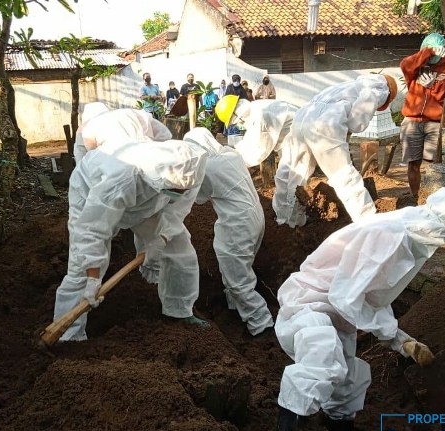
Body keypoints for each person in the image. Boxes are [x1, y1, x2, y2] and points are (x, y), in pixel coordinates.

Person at [267, 188, 445, 431]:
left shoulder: (410, 233)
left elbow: (372, 293)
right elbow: (346, 296)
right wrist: (393, 336)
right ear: (439, 226)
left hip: (339, 309)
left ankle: (339, 429)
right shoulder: (390, 235)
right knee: (321, 358)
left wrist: (403, 341)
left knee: (346, 376)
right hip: (310, 300)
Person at [53, 138, 211, 342]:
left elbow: (176, 210)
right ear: (161, 176)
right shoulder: (122, 177)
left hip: (150, 201)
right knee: (81, 269)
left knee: (179, 247)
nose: (181, 193)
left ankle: (179, 310)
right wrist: (93, 278)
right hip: (91, 194)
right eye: (177, 189)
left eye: (183, 190)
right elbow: (92, 230)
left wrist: (161, 238)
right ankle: (68, 336)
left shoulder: (190, 172)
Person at [272, 74, 398, 227]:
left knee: (291, 169)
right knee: (344, 176)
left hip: (301, 119)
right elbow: (356, 123)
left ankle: (286, 220)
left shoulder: (346, 85)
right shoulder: (378, 89)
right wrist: (345, 130)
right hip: (325, 124)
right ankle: (369, 223)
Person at [185, 128, 274, 336]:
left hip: (237, 225)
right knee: (238, 268)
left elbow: (196, 197)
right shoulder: (231, 155)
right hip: (255, 217)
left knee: (238, 277)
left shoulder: (208, 167)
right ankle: (234, 309)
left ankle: (261, 324)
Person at [400, 33, 445, 200]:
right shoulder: (417, 66)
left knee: (435, 164)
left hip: (435, 123)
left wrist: (434, 86)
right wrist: (428, 52)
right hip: (412, 122)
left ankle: (434, 199)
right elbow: (405, 64)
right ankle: (416, 197)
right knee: (413, 163)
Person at [214, 95, 298, 166]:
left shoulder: (260, 117)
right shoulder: (254, 108)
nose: (236, 124)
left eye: (233, 121)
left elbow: (260, 151)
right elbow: (250, 137)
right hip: (292, 138)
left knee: (286, 176)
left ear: (235, 114)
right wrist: (236, 150)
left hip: (299, 138)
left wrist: (236, 161)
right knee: (289, 174)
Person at [75, 102, 172, 163]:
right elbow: (165, 136)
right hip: (144, 160)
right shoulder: (126, 114)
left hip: (118, 166)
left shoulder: (88, 128)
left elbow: (86, 160)